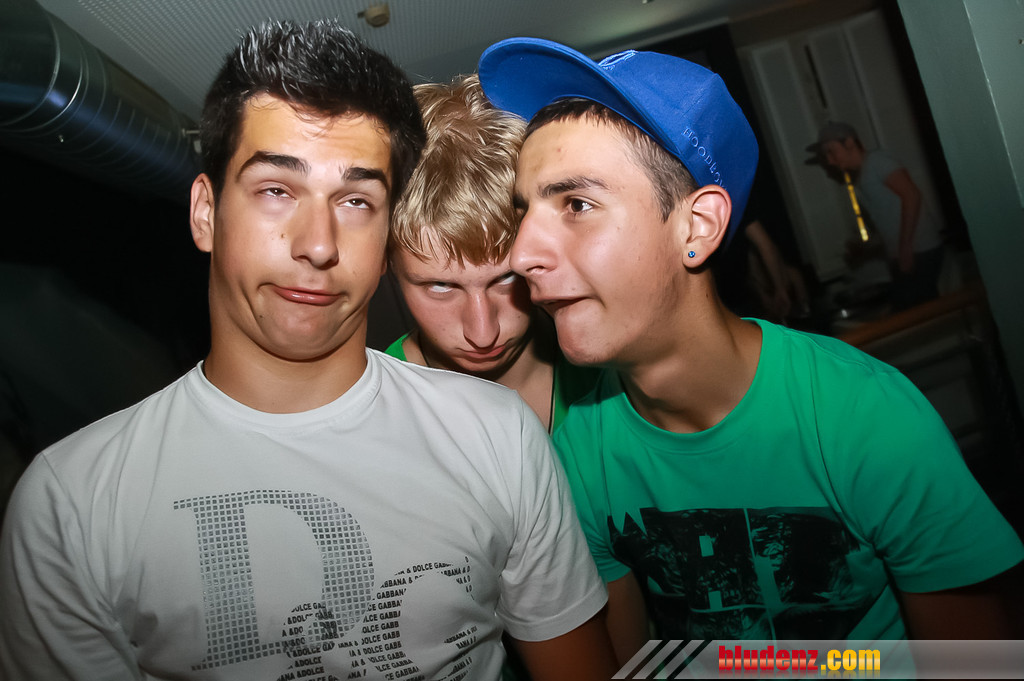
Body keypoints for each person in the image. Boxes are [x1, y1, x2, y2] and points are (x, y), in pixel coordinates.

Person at [0, 22, 616, 681]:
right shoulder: (71, 504)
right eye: (276, 190)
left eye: (356, 200)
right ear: (205, 212)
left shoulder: (498, 433)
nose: (318, 243)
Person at [478, 38, 1024, 661]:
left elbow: (971, 663)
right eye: (524, 212)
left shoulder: (866, 418)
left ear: (697, 226)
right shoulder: (581, 446)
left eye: (577, 205)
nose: (521, 254)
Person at [386, 74, 599, 434]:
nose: (483, 333)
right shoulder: (381, 412)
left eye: (507, 278)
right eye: (441, 286)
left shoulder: (618, 370)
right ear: (387, 265)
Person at [809, 121, 945, 310]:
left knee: (917, 313)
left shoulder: (877, 162)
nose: (830, 161)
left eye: (831, 152)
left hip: (920, 251)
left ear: (849, 142)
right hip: (905, 254)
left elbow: (912, 196)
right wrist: (866, 247)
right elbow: (890, 219)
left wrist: (906, 248)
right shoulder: (863, 175)